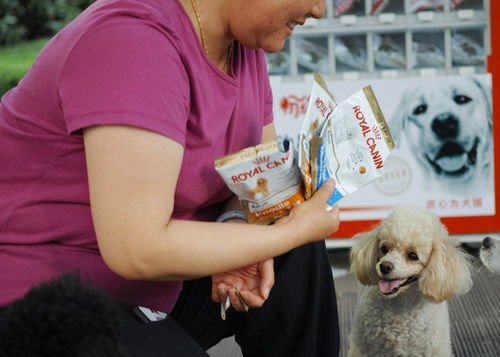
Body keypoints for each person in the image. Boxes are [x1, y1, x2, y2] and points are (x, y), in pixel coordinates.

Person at [0, 0, 341, 355]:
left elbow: (257, 179)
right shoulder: (134, 43)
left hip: (156, 286)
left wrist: (237, 221)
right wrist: (288, 233)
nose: (318, 10)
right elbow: (137, 249)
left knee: (294, 248)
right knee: (289, 235)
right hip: (42, 297)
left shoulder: (240, 42)